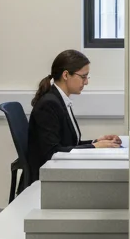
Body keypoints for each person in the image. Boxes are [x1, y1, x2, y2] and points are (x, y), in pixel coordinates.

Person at [27, 50, 121, 180]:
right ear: (66, 75)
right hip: (47, 179)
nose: (86, 82)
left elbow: (68, 144)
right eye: (83, 76)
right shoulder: (49, 104)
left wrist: (96, 142)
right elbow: (52, 153)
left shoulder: (59, 99)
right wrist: (94, 147)